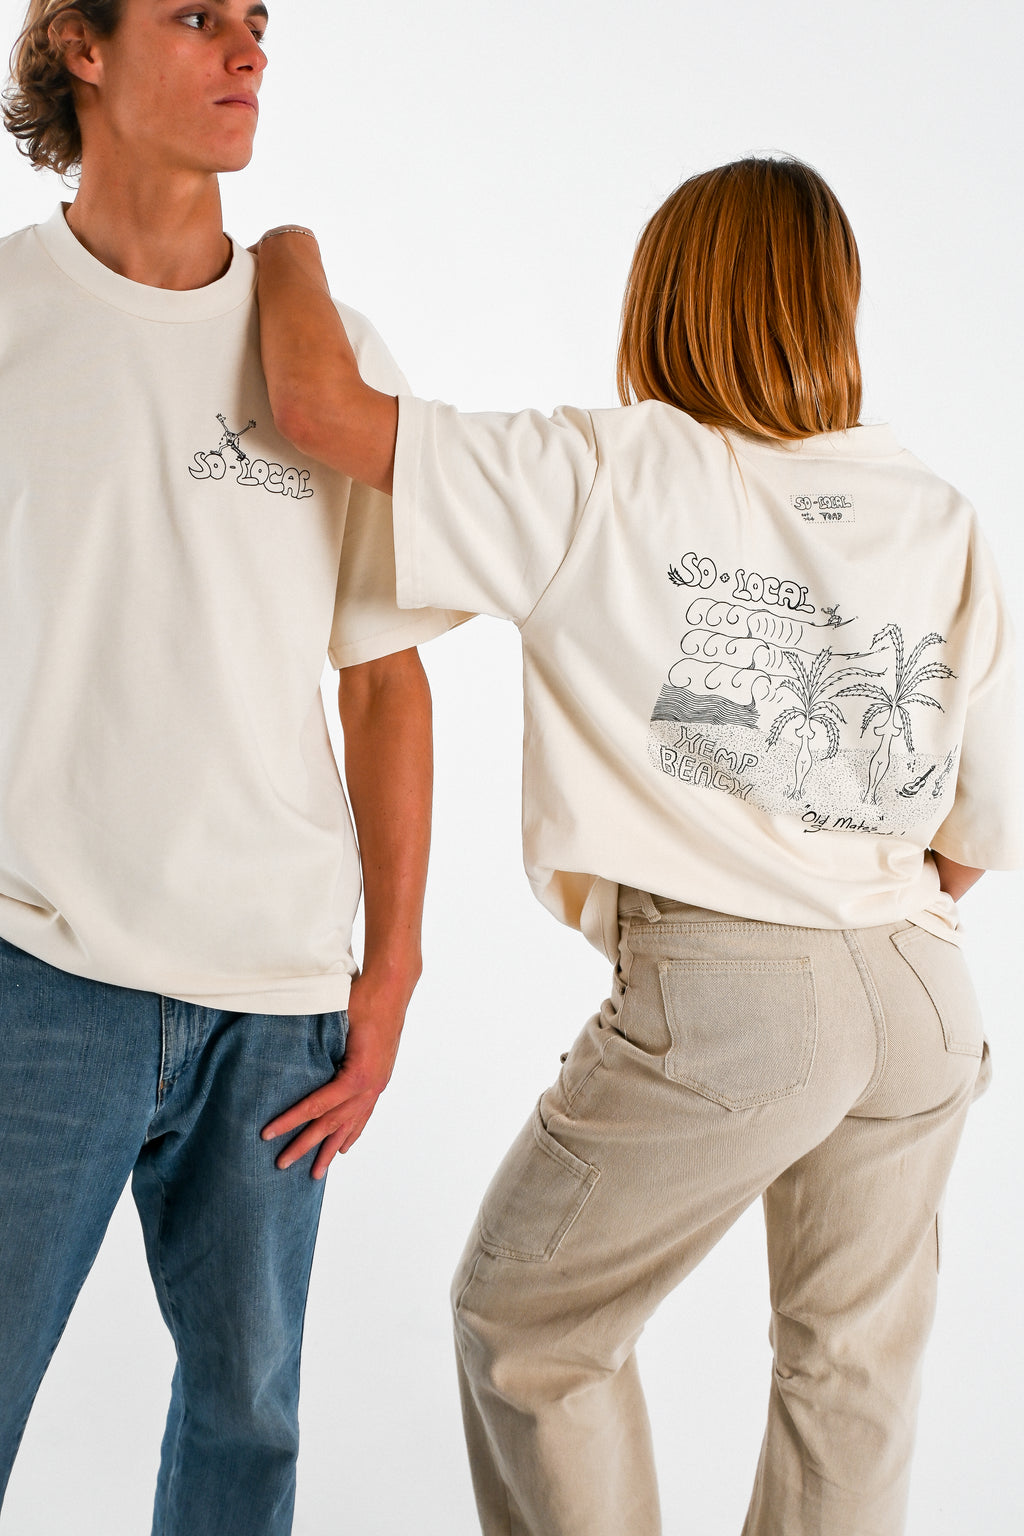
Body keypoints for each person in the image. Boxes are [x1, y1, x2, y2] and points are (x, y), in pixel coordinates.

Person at [254, 157, 1020, 1536]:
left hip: (736, 994)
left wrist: (285, 248)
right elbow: (976, 830)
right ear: (834, 303)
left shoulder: (604, 472)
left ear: (664, 297)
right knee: (848, 1379)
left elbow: (318, 407)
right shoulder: (933, 509)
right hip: (920, 990)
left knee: (528, 1327)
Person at [0, 2, 462, 1531]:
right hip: (37, 970)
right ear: (81, 46)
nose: (249, 51)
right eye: (198, 16)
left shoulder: (325, 345)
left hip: (279, 998)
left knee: (249, 1422)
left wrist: (390, 969)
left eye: (258, 21)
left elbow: (383, 682)